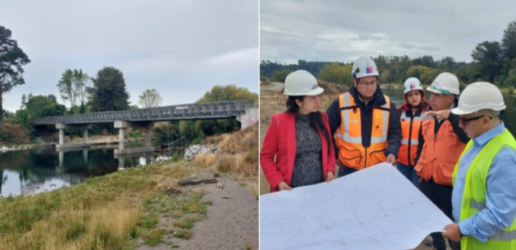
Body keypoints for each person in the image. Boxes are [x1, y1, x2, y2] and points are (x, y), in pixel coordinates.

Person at [442, 82, 516, 250]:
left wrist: (461, 229)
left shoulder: (504, 156)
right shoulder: (476, 142)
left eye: (464, 120)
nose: (459, 125)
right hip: (467, 239)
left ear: (485, 120)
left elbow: (500, 215)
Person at [414, 72, 469, 250]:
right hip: (427, 181)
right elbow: (422, 145)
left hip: (450, 185)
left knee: (454, 227)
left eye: (437, 95)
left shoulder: (463, 118)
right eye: (432, 94)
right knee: (433, 224)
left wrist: (451, 117)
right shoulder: (428, 115)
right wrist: (418, 168)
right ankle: (438, 247)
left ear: (450, 97)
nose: (432, 98)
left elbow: (469, 139)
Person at [260, 70, 336, 192]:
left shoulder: (323, 119)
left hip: (320, 189)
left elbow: (330, 149)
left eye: (317, 96)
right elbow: (266, 157)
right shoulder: (278, 122)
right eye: (312, 98)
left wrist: (330, 169)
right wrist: (278, 181)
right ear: (298, 101)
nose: (318, 101)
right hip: (291, 192)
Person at [326, 56, 401, 177]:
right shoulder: (340, 103)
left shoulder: (387, 105)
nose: (370, 87)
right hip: (349, 169)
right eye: (365, 83)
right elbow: (325, 131)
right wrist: (335, 155)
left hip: (379, 168)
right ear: (355, 82)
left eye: (373, 82)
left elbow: (395, 132)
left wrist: (392, 151)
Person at [397, 77, 430, 187]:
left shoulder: (429, 113)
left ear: (421, 94)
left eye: (416, 93)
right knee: (403, 190)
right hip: (402, 162)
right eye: (410, 95)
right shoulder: (400, 113)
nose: (414, 97)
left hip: (420, 162)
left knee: (418, 192)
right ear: (406, 97)